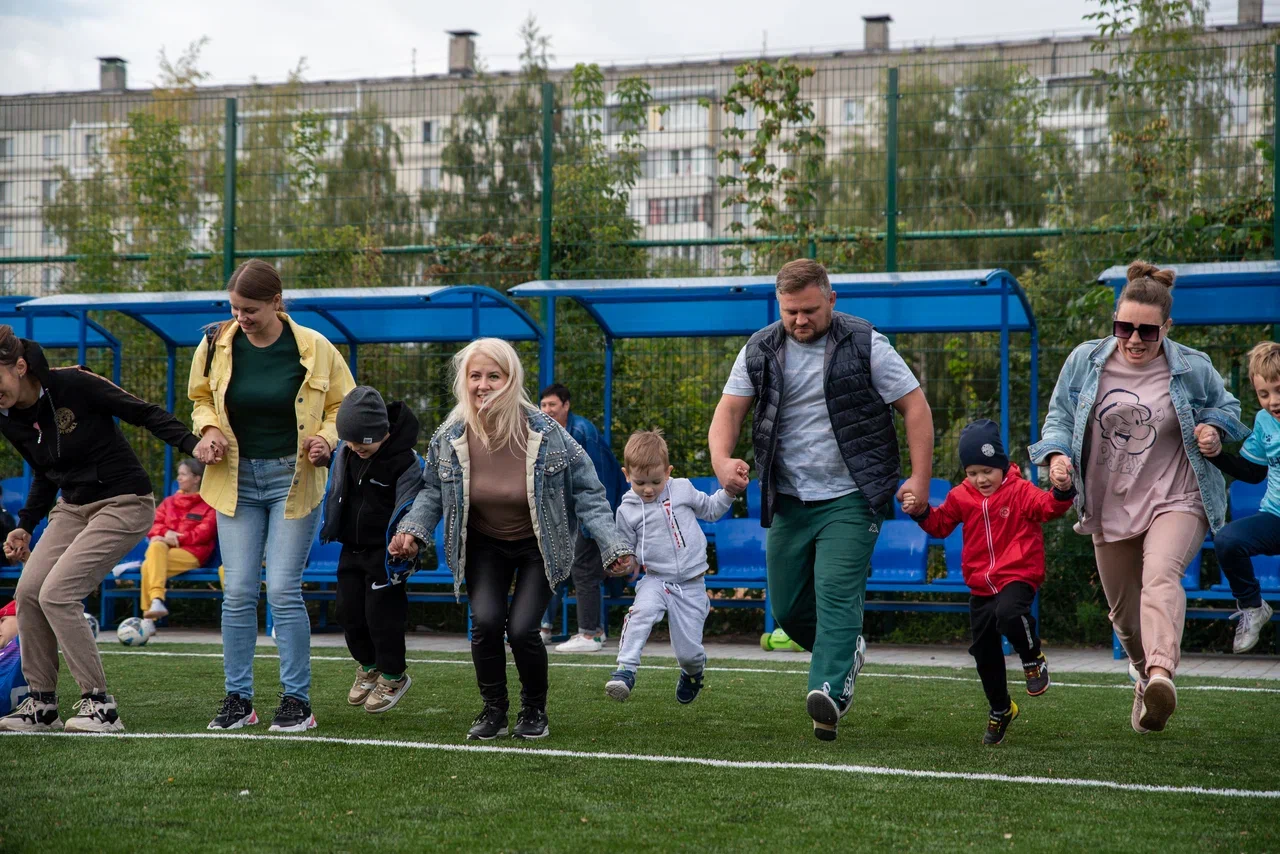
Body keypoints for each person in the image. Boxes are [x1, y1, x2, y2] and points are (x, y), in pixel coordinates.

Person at [709, 258, 934, 741]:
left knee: (834, 593)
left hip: (853, 496)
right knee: (788, 609)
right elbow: (728, 410)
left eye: (809, 310)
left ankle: (827, 693)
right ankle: (847, 651)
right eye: (790, 311)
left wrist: (919, 477)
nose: (800, 321)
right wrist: (722, 462)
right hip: (789, 497)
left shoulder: (866, 342)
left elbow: (914, 405)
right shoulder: (760, 348)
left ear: (831, 300)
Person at [1031, 260, 1248, 735]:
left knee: (1161, 575)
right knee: (1125, 618)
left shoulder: (1192, 367)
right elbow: (1060, 420)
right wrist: (1055, 458)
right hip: (1108, 504)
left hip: (1178, 497)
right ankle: (1143, 674)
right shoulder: (1084, 361)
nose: (1133, 339)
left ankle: (1161, 675)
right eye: (1124, 327)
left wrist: (1214, 428)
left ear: (1167, 328)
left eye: (1147, 332)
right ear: (1114, 320)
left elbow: (1228, 407)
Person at [389, 338, 635, 741]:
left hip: (540, 544)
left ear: (511, 380)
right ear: (463, 381)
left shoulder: (547, 432)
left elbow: (588, 490)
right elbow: (432, 491)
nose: (483, 385)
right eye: (475, 376)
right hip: (483, 544)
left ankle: (534, 710)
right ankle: (493, 711)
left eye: (493, 376)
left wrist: (611, 545)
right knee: (485, 623)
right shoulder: (449, 436)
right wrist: (411, 532)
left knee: (523, 630)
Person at [0, 328, 200, 733]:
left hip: (124, 501)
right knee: (28, 592)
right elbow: (44, 470)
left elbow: (143, 412)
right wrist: (25, 526)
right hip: (72, 507)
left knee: (58, 593)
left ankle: (100, 706)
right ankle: (41, 706)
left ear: (20, 367)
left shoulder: (74, 383)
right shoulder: (7, 416)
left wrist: (192, 445)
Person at [189, 259, 355, 734]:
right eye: (235, 308)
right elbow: (200, 399)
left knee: (282, 589)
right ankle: (238, 699)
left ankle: (296, 701)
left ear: (277, 302)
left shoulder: (316, 347)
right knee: (238, 591)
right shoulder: (213, 344)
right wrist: (209, 429)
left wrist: (327, 438)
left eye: (251, 309)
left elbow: (343, 404)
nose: (241, 317)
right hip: (233, 478)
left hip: (293, 477)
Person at [900, 420, 1075, 745]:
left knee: (1009, 614)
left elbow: (1049, 508)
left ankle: (1033, 657)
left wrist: (1062, 489)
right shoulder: (960, 496)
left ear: (1001, 465)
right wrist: (919, 511)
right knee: (984, 652)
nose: (980, 479)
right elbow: (939, 526)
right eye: (972, 472)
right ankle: (1000, 709)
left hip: (1019, 574)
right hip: (980, 585)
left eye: (987, 471)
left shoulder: (1020, 491)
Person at [604, 430, 737, 703]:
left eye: (656, 480)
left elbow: (711, 510)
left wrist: (729, 492)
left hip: (692, 584)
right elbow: (627, 552)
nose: (649, 489)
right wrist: (622, 563)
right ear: (626, 474)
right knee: (641, 612)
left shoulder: (683, 489)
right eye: (640, 482)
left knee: (689, 653)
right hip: (655, 580)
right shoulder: (626, 510)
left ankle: (692, 672)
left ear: (668, 471)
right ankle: (624, 671)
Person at [318, 386, 422, 713]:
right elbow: (339, 489)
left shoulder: (405, 461)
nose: (352, 448)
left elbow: (413, 505)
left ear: (382, 433)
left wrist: (406, 538)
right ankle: (368, 665)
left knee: (382, 616)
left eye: (361, 442)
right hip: (352, 547)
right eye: (347, 441)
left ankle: (393, 674)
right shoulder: (348, 452)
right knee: (347, 611)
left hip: (387, 554)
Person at [1202, 341, 1280, 653]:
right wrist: (1217, 454)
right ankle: (1252, 607)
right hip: (1275, 517)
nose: (1273, 401)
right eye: (1264, 394)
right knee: (1227, 540)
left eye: (1279, 390)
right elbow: (1253, 472)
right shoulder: (1264, 423)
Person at [538, 382, 627, 651]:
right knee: (550, 564)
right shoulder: (545, 432)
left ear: (566, 405)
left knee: (584, 568)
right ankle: (540, 629)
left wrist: (594, 527)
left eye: (552, 404)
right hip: (565, 515)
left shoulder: (581, 432)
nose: (547, 410)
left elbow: (598, 483)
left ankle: (591, 634)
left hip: (593, 511)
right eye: (543, 405)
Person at [139, 458, 217, 629]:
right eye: (178, 475)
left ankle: (149, 619)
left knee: (149, 564)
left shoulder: (209, 504)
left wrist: (176, 538)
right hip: (163, 551)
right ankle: (156, 601)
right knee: (155, 550)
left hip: (194, 553)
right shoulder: (169, 502)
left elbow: (204, 534)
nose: (179, 478)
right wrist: (165, 533)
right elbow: (154, 524)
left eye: (183, 474)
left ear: (196, 478)